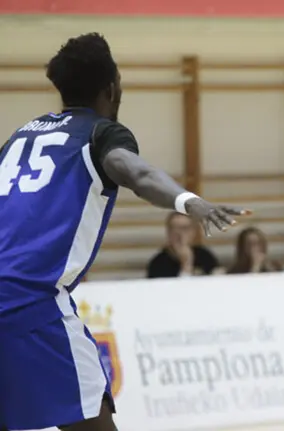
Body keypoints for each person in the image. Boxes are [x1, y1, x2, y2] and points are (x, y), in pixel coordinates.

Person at [0, 33, 247, 431]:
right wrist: (191, 202)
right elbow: (138, 172)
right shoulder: (100, 132)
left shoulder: (18, 139)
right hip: (32, 303)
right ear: (113, 87)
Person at [147, 212, 220, 278]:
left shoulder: (205, 256)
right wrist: (186, 263)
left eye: (184, 228)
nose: (179, 234)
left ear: (193, 232)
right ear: (168, 233)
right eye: (174, 228)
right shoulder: (158, 263)